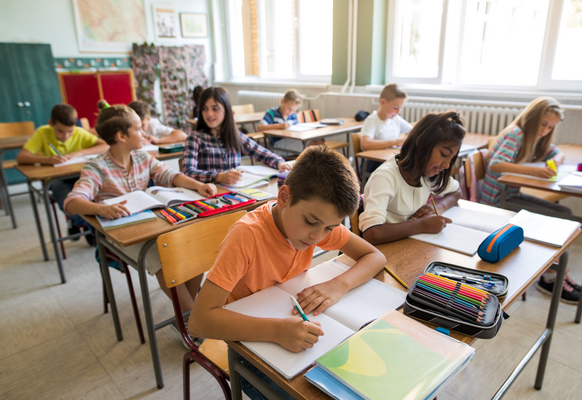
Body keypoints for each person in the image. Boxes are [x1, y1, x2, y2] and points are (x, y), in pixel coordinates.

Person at [188, 145, 385, 400]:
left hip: (294, 334)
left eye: (330, 228)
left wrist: (338, 285)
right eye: (311, 223)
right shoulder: (246, 236)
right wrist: (276, 331)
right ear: (284, 197)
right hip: (247, 348)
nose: (317, 237)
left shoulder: (318, 221)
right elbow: (199, 321)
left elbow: (375, 257)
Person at [63, 104, 217, 346]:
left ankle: (190, 316)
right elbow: (72, 202)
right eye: (139, 128)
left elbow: (169, 175)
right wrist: (101, 208)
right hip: (124, 236)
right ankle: (195, 321)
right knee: (165, 256)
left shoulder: (142, 157)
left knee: (192, 246)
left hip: (153, 226)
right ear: (121, 136)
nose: (145, 132)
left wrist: (196, 185)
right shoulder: (97, 167)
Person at [480, 96, 580, 303]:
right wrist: (533, 172)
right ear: (532, 117)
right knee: (562, 219)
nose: (545, 129)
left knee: (566, 215)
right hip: (498, 200)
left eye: (550, 127)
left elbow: (557, 152)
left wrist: (555, 161)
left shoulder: (536, 138)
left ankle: (554, 273)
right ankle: (551, 278)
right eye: (543, 124)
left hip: (512, 195)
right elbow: (496, 164)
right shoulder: (516, 134)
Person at [359, 111, 463, 244]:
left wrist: (438, 206)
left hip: (408, 246)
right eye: (443, 154)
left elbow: (457, 191)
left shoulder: (428, 174)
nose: (447, 165)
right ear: (421, 143)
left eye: (451, 158)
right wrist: (422, 225)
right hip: (382, 252)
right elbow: (372, 233)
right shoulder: (386, 176)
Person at [16, 103, 109, 244]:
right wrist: (46, 159)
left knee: (97, 188)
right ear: (51, 123)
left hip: (79, 176)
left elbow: (105, 145)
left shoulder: (79, 131)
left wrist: (79, 152)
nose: (66, 135)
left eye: (69, 131)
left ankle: (83, 224)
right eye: (60, 131)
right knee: (66, 195)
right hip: (56, 180)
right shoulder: (42, 132)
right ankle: (81, 222)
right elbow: (21, 157)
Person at [182, 86, 290, 185]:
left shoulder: (235, 135)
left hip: (235, 192)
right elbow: (187, 172)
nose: (209, 114)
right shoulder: (195, 138)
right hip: (209, 195)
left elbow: (260, 152)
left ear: (226, 110)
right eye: (204, 109)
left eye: (215, 109)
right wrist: (218, 177)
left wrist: (279, 163)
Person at [360, 83, 413, 173]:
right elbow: (365, 145)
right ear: (383, 102)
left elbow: (413, 131)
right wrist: (396, 141)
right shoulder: (372, 120)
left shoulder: (396, 119)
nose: (398, 112)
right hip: (374, 165)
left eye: (400, 108)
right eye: (395, 107)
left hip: (389, 161)